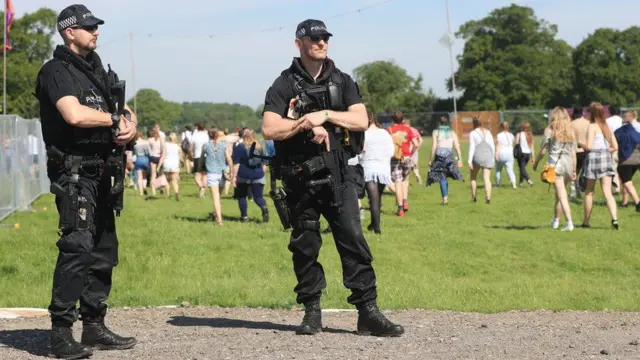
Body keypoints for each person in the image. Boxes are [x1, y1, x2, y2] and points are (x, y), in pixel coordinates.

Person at [261, 19, 403, 337]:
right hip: (299, 179)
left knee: (354, 242)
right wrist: (303, 125)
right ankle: (312, 312)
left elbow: (360, 120)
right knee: (305, 246)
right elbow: (270, 128)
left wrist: (323, 115)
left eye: (325, 37)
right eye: (314, 38)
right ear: (298, 43)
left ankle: (368, 313)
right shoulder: (283, 84)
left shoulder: (342, 80)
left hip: (339, 176)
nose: (321, 42)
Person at [34, 5, 137, 358]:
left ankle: (94, 326)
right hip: (75, 173)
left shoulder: (99, 73)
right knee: (77, 248)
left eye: (96, 27)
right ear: (68, 31)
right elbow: (74, 114)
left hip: (105, 171)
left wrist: (129, 127)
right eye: (88, 27)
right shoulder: (56, 71)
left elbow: (123, 114)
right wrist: (112, 118)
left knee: (104, 251)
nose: (95, 32)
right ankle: (61, 333)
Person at [533, 107, 578, 231]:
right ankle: (556, 220)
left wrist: (536, 162)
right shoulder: (571, 130)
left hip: (555, 166)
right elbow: (574, 154)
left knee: (562, 195)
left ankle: (569, 223)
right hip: (568, 164)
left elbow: (543, 150)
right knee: (559, 195)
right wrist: (574, 170)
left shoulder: (550, 130)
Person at [580, 102, 619, 229]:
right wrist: (605, 151)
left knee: (589, 191)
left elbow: (589, 147)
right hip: (605, 158)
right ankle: (614, 218)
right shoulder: (606, 126)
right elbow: (615, 147)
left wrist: (581, 144)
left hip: (593, 158)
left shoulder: (592, 126)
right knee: (607, 192)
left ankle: (586, 222)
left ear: (592, 113)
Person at [360, 113, 394, 233]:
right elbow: (391, 151)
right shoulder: (385, 133)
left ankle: (377, 227)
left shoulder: (364, 134)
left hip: (369, 168)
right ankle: (374, 224)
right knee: (378, 197)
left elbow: (361, 151)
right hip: (383, 169)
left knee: (373, 199)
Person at [231, 129, 269, 223]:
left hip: (243, 175)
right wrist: (261, 174)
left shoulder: (239, 147)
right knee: (258, 197)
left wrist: (234, 177)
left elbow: (236, 164)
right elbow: (264, 163)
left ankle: (244, 217)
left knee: (242, 196)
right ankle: (264, 208)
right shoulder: (259, 147)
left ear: (243, 136)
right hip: (258, 175)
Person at [387, 111, 419, 216]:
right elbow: (416, 143)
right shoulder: (408, 129)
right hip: (406, 157)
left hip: (395, 158)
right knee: (405, 180)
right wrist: (410, 153)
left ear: (392, 119)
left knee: (398, 182)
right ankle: (405, 203)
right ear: (402, 119)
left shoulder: (389, 130)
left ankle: (400, 209)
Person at [427, 116, 464, 205]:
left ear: (439, 123)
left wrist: (430, 160)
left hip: (439, 155)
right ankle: (445, 197)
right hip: (449, 156)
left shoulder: (435, 132)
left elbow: (434, 146)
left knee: (442, 177)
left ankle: (445, 198)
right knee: (445, 176)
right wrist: (460, 159)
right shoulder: (452, 132)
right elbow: (457, 146)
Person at [614, 109, 640, 212]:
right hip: (638, 158)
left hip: (625, 159)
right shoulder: (635, 131)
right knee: (626, 181)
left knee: (626, 181)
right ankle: (624, 202)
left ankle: (637, 202)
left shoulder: (618, 132)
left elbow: (614, 144)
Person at [468, 116, 495, 203]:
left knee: (473, 177)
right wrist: (493, 157)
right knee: (486, 178)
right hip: (488, 156)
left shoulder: (473, 133)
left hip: (477, 157)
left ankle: (474, 197)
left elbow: (472, 147)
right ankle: (488, 198)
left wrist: (469, 161)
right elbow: (492, 146)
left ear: (474, 123)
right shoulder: (488, 132)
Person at [571, 106, 590, 199]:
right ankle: (585, 190)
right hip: (586, 150)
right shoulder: (588, 123)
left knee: (574, 171)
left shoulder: (572, 124)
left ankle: (574, 190)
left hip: (575, 150)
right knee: (585, 172)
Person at [494, 122, 517, 189]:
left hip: (501, 153)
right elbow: (513, 144)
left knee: (498, 170)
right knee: (510, 170)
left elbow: (498, 145)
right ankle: (514, 184)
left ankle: (497, 184)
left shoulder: (499, 135)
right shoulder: (511, 135)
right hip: (510, 154)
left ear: (501, 127)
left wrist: (496, 154)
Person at [515, 120, 535, 187]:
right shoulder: (530, 135)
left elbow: (517, 144)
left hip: (521, 154)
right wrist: (533, 158)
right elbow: (532, 148)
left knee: (522, 169)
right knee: (522, 168)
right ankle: (520, 183)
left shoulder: (519, 134)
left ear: (522, 127)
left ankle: (529, 180)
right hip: (528, 154)